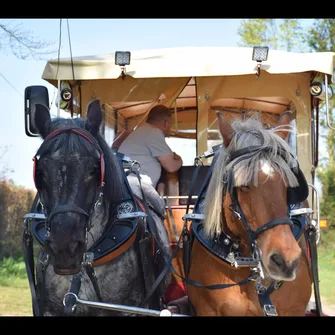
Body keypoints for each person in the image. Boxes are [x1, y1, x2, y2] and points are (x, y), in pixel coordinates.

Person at [118, 104, 183, 192]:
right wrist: (180, 160)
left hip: (129, 184)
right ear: (165, 123)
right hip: (137, 187)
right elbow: (171, 166)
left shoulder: (143, 130)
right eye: (170, 124)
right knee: (160, 205)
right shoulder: (154, 133)